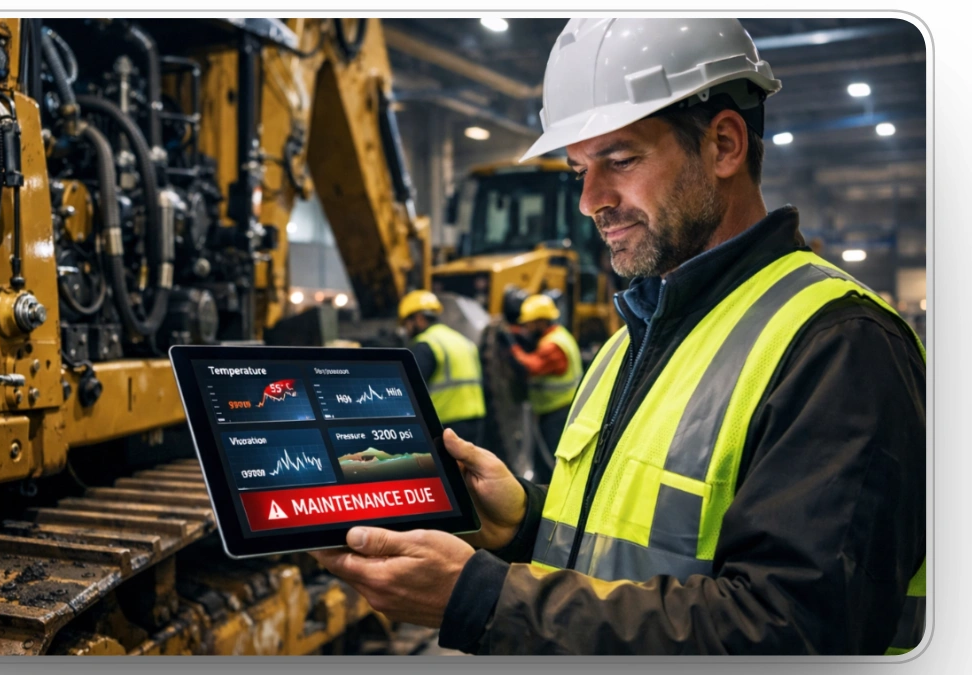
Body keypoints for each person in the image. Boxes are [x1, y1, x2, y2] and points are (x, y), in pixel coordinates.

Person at [312, 17, 925, 655]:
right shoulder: (637, 333)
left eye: (620, 160)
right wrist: (523, 520)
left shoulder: (841, 347)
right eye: (580, 168)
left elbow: (792, 631)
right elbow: (634, 542)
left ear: (723, 145)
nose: (590, 200)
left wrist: (481, 598)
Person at [507, 294, 583, 483]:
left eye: (529, 324)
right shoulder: (558, 336)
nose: (526, 328)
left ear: (541, 322)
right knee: (543, 461)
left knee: (552, 462)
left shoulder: (552, 346)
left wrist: (512, 346)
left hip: (557, 413)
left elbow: (529, 367)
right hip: (554, 411)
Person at [399, 290, 487, 445]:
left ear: (418, 318)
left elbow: (410, 388)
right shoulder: (464, 341)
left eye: (407, 322)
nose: (406, 329)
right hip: (475, 419)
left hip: (446, 424)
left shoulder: (425, 344)